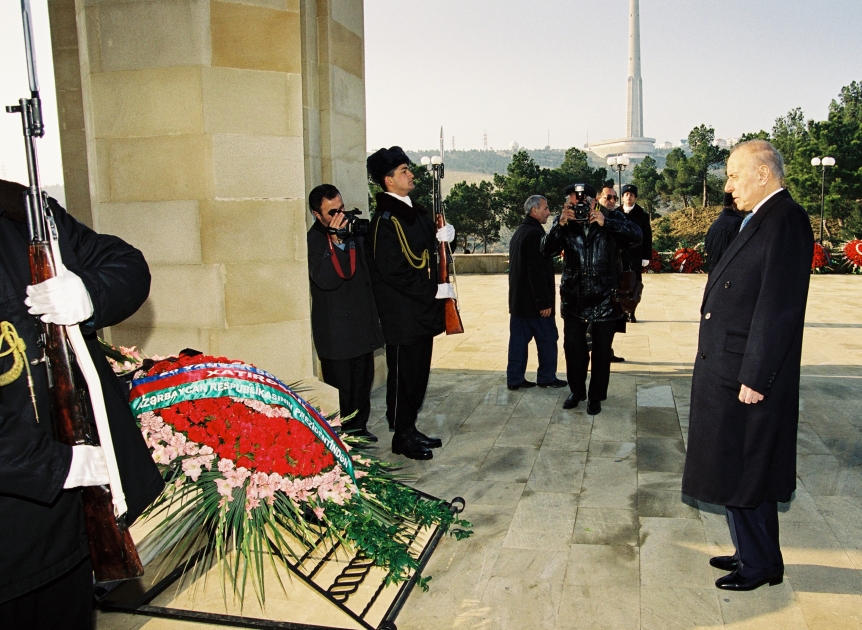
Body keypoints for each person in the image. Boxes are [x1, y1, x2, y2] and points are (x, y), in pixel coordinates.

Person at [0, 179, 164, 628]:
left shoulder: (23, 212)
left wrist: (91, 291)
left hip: (65, 524)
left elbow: (125, 263)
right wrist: (52, 465)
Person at [681, 140, 813, 591]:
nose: (728, 185)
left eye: (735, 175)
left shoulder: (786, 220)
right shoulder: (761, 218)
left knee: (746, 467)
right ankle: (750, 552)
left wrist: (756, 375)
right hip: (729, 367)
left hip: (746, 374)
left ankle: (761, 566)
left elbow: (778, 307)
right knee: (736, 465)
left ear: (763, 173)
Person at [365, 147, 455, 461]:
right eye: (404, 170)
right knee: (403, 377)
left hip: (420, 313)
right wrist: (434, 291)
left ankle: (410, 426)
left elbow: (434, 250)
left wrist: (447, 237)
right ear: (388, 180)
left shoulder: (414, 212)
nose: (411, 174)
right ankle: (402, 436)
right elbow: (395, 272)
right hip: (402, 316)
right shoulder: (384, 221)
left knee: (418, 375)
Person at [541, 183, 641, 415]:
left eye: (583, 201)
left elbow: (637, 236)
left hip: (605, 298)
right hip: (574, 299)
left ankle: (596, 396)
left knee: (602, 352)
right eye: (574, 201)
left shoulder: (611, 217)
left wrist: (607, 222)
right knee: (574, 349)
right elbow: (546, 250)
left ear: (593, 201)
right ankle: (577, 392)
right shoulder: (565, 224)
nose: (580, 206)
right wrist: (559, 225)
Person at [307, 184, 385, 442]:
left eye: (341, 209)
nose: (340, 216)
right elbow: (325, 280)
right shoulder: (315, 238)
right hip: (336, 330)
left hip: (361, 323)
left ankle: (359, 429)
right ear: (318, 215)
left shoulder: (351, 229)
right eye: (332, 213)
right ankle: (343, 435)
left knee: (363, 381)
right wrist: (338, 243)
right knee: (342, 387)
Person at [506, 195, 566, 391]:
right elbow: (536, 272)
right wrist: (544, 303)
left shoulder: (520, 232)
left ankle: (515, 379)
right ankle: (547, 377)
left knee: (518, 343)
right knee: (548, 339)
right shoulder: (534, 235)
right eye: (546, 208)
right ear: (534, 211)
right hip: (535, 304)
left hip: (519, 303)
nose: (549, 212)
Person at [598, 186, 628, 363]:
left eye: (615, 198)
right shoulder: (589, 216)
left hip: (612, 276)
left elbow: (632, 235)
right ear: (599, 198)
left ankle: (606, 350)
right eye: (608, 197)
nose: (611, 201)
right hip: (593, 279)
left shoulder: (617, 217)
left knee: (611, 318)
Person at [619, 184, 653, 322]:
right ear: (622, 197)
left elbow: (647, 236)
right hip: (620, 255)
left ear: (636, 198)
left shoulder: (642, 215)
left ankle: (631, 311)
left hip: (635, 255)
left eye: (632, 195)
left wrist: (646, 256)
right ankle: (621, 310)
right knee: (620, 283)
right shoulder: (616, 213)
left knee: (634, 283)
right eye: (626, 194)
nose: (629, 197)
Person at [704, 192, 743, 271]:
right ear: (735, 201)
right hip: (728, 275)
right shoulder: (738, 223)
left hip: (714, 274)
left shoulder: (715, 223)